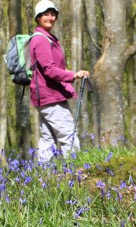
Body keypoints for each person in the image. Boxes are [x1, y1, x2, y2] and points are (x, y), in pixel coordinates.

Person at [29, 0, 90, 163]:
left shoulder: (47, 38)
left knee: (48, 139)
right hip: (50, 97)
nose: (50, 17)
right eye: (46, 14)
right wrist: (73, 75)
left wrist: (72, 74)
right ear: (38, 17)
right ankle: (77, 172)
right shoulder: (41, 40)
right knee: (68, 135)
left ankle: (44, 179)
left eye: (53, 14)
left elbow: (51, 68)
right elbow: (49, 70)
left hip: (45, 96)